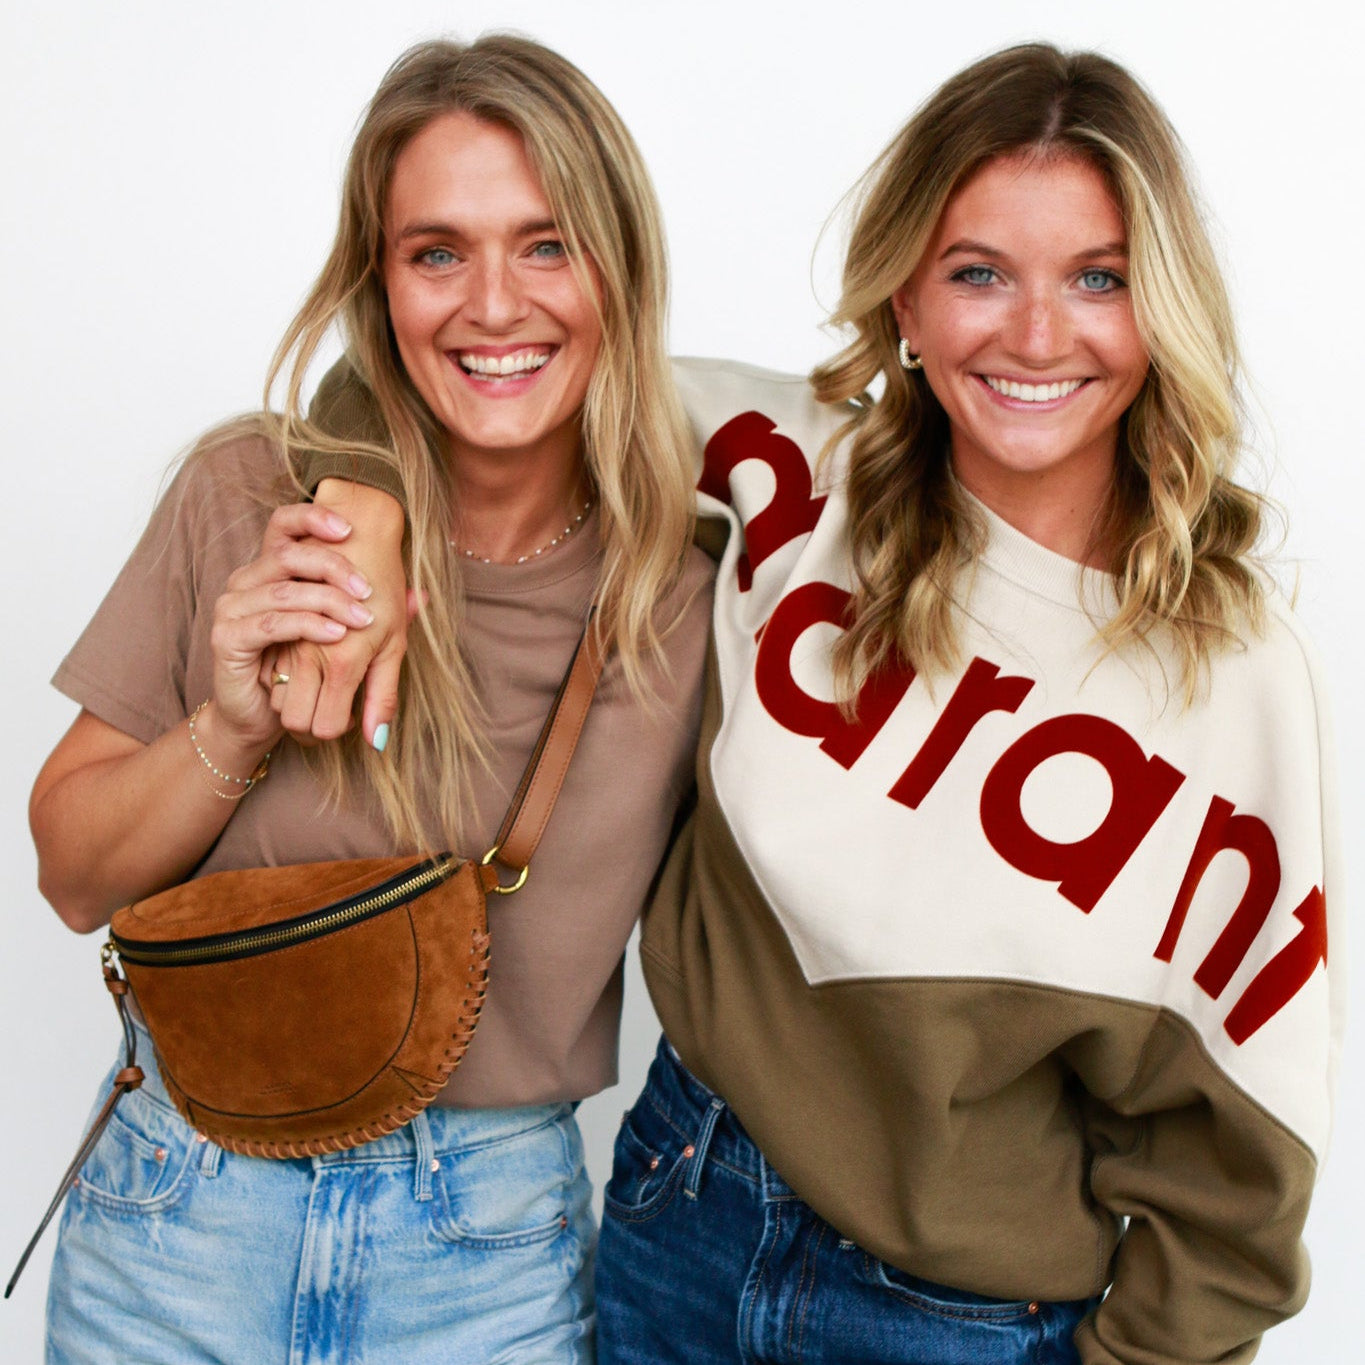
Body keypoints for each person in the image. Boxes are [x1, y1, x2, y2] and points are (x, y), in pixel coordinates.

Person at [295, 43, 1339, 1365]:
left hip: (962, 1319)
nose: (1031, 333)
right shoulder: (781, 462)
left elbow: (1245, 1158)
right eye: (976, 273)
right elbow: (465, 375)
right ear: (905, 292)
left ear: (1163, 309)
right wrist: (365, 504)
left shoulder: (1229, 672)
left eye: (1097, 278)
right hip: (677, 1224)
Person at [28, 35, 711, 1364]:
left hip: (488, 1250)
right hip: (179, 1213)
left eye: (549, 244)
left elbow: (886, 415)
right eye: (436, 251)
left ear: (620, 272)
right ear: (378, 281)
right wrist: (229, 728)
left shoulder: (688, 592)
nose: (492, 304)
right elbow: (69, 876)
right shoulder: (250, 498)